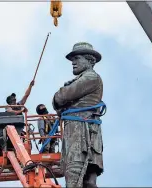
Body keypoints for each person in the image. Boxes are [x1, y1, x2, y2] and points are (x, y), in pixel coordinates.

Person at [52, 42, 104, 188]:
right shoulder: (84, 78)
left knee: (75, 175)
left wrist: (60, 96)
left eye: (77, 58)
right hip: (84, 130)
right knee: (85, 180)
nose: (73, 62)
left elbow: (61, 96)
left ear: (90, 60)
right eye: (72, 59)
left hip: (81, 132)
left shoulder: (90, 78)